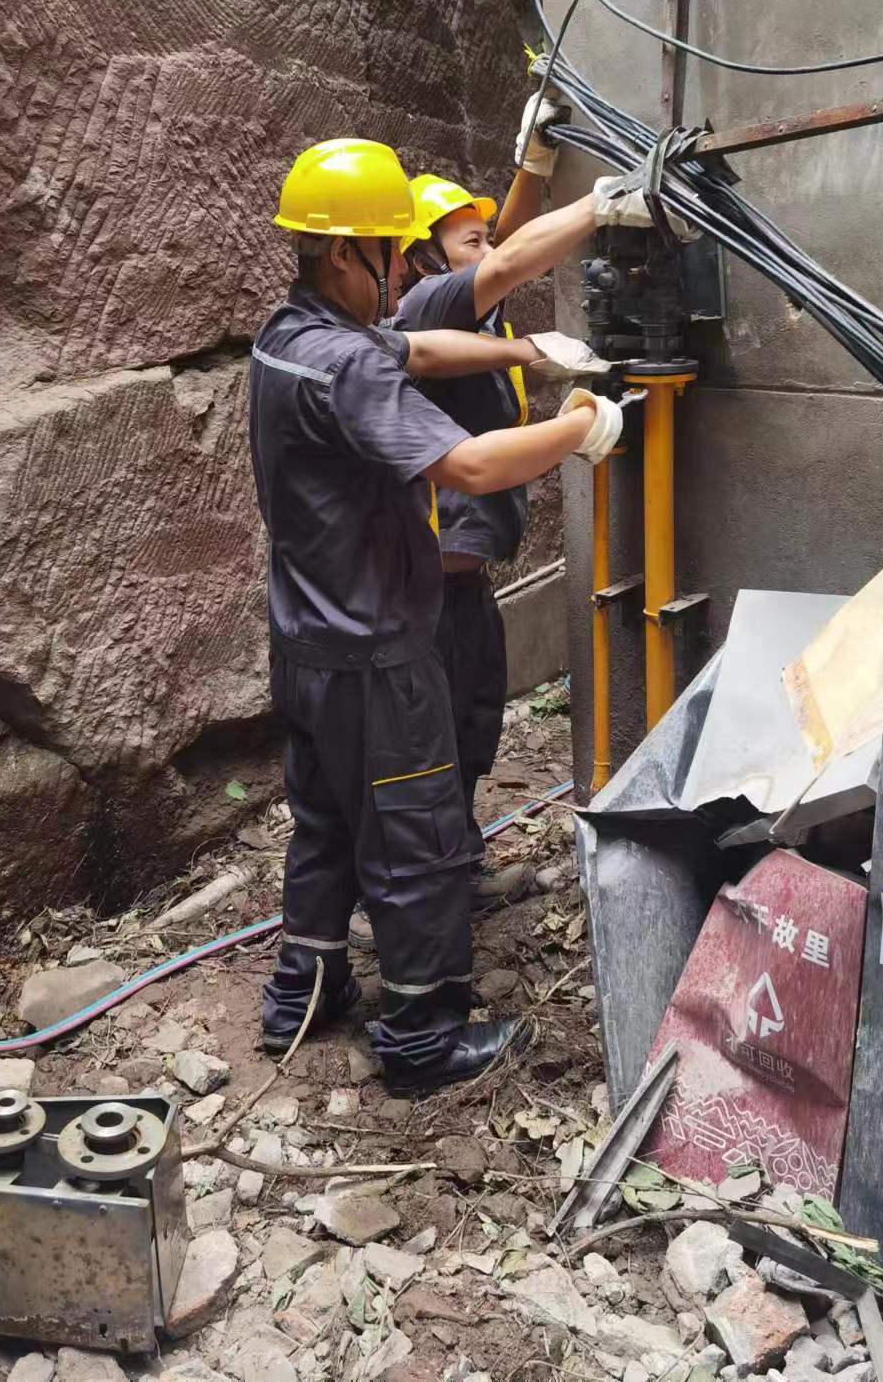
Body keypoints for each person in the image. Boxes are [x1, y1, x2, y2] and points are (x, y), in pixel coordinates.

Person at [249, 136, 637, 1096]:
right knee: (414, 837)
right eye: (390, 250)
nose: (399, 270)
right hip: (378, 648)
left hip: (306, 641)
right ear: (349, 252)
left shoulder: (290, 338)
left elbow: (418, 347)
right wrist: (578, 427)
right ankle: (421, 1038)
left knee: (325, 821)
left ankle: (305, 989)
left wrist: (527, 354)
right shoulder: (344, 365)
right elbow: (467, 465)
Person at [351, 94, 595, 931]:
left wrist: (532, 167)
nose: (484, 248)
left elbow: (504, 251)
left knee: (469, 721)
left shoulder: (451, 301)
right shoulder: (425, 309)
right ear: (422, 257)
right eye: (465, 239)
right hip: (435, 583)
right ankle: (409, 892)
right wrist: (600, 203)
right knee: (436, 734)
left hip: (462, 579)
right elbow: (509, 260)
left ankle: (452, 865)